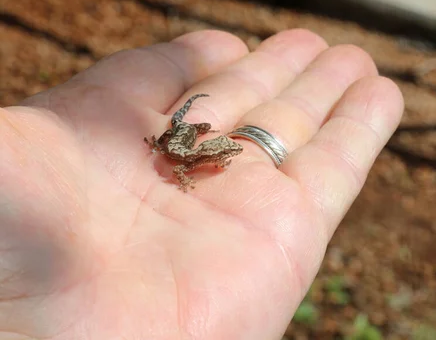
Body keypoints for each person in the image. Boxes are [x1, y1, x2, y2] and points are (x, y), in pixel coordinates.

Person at [0, 29, 403, 339]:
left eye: (224, 156)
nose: (225, 161)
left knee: (193, 126)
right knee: (186, 131)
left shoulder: (195, 154)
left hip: (178, 142)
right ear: (208, 159)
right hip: (175, 146)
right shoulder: (185, 164)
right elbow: (177, 169)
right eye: (223, 157)